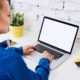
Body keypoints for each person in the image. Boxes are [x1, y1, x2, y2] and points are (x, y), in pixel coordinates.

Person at [0, 0, 54, 80]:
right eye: (8, 15)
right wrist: (44, 61)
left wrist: (20, 50)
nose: (11, 19)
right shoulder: (12, 59)